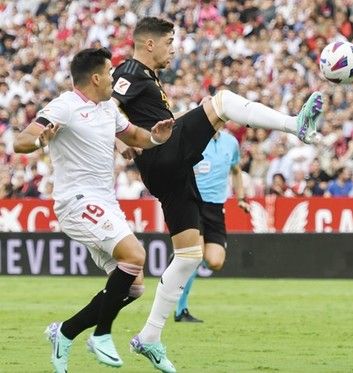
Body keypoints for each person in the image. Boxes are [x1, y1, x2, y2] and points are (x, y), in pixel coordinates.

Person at [111, 17, 323, 372]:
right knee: (221, 102)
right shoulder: (130, 69)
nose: (173, 48)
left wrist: (128, 138)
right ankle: (293, 125)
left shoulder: (149, 78)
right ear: (149, 44)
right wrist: (122, 141)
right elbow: (107, 104)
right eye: (169, 42)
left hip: (170, 171)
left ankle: (149, 336)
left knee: (191, 255)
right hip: (162, 156)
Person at [12, 48, 174, 372]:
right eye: (111, 72)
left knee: (134, 286)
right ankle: (102, 334)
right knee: (136, 256)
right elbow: (21, 140)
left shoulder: (107, 109)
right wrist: (40, 141)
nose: (114, 77)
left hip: (105, 202)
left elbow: (132, 134)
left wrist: (154, 138)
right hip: (76, 201)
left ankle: (65, 332)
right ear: (96, 77)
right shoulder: (65, 107)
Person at [174, 128, 250, 323]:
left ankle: (179, 258)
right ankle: (180, 310)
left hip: (216, 208)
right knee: (195, 257)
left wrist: (240, 197)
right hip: (192, 203)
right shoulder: (192, 138)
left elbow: (236, 169)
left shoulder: (230, 143)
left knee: (215, 262)